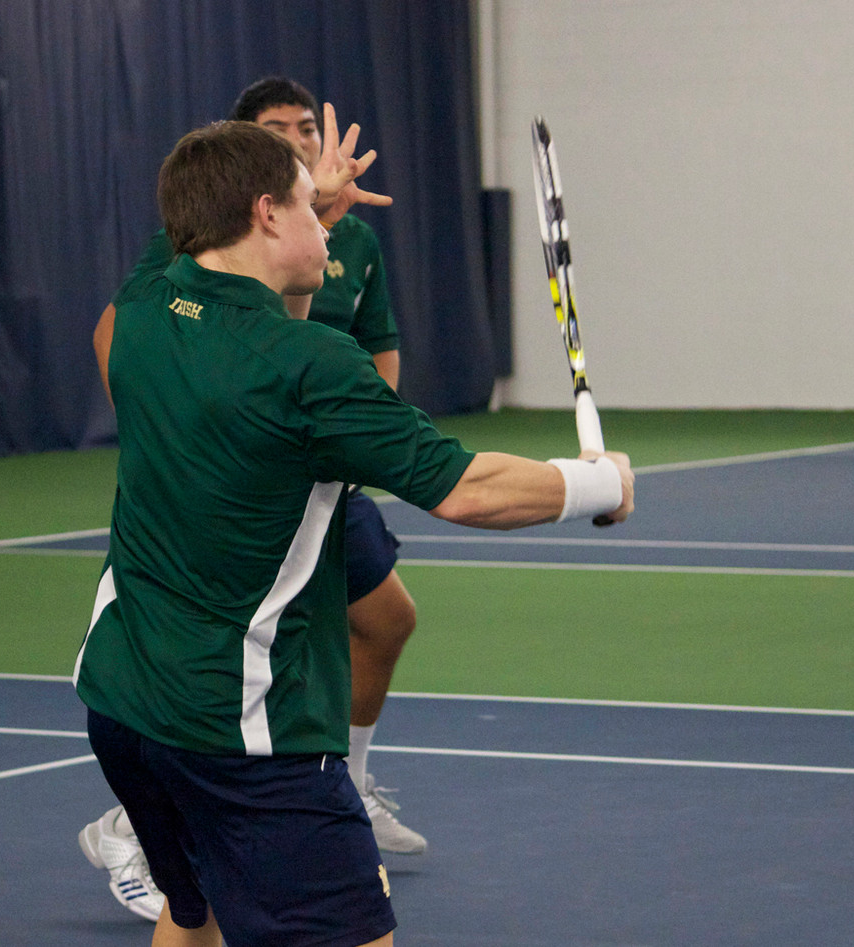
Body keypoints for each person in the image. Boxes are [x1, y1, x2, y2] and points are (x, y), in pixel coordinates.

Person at [73, 119, 633, 947]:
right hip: (247, 734)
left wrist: (315, 209)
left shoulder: (148, 310)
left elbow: (219, 270)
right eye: (308, 206)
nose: (327, 224)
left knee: (195, 912)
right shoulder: (311, 367)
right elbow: (466, 490)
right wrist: (600, 482)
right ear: (265, 214)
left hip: (120, 702)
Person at [79, 79, 421, 925]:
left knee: (387, 618)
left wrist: (355, 438)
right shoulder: (192, 258)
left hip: (316, 461)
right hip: (242, 474)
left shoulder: (341, 242)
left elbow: (349, 347)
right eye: (282, 134)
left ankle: (347, 778)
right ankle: (149, 819)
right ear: (257, 192)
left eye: (310, 129)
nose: (304, 141)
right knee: (219, 689)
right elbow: (127, 342)